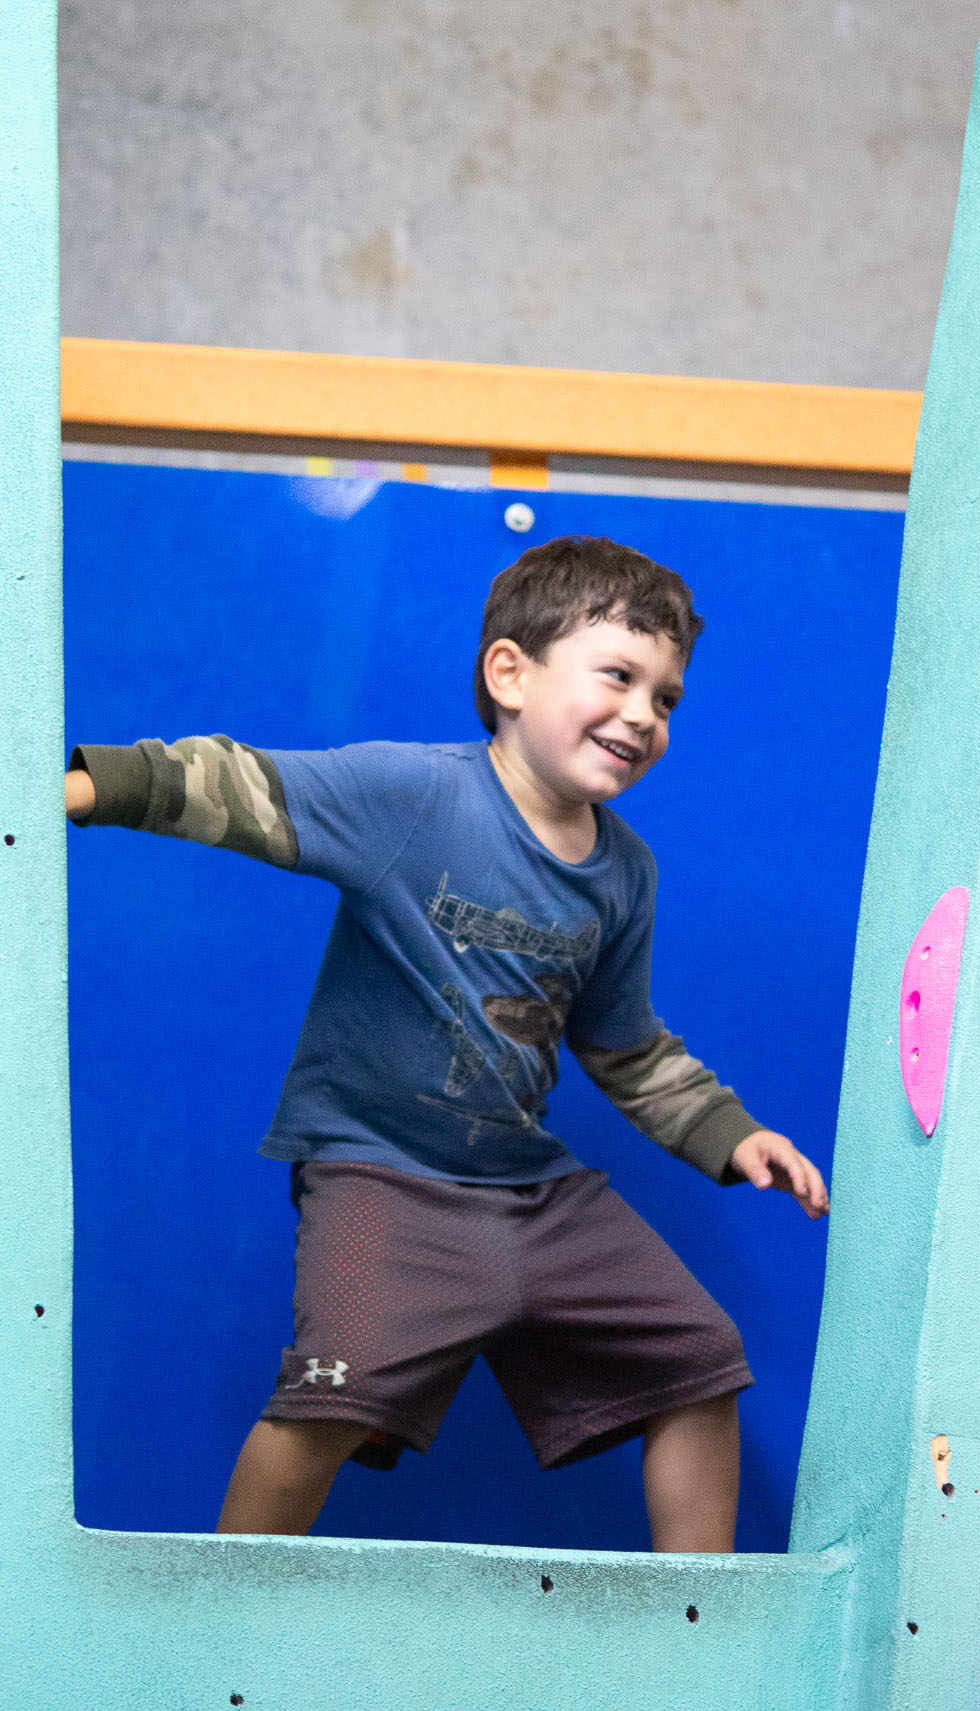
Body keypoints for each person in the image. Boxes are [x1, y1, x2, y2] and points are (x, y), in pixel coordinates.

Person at [65, 534, 828, 1552]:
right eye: (617, 676)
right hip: (379, 1174)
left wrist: (734, 1134)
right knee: (327, 1400)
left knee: (701, 1360)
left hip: (527, 1192)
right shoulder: (414, 795)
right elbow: (238, 787)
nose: (644, 714)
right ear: (509, 674)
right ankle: (219, 1605)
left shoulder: (624, 872)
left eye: (667, 697)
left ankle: (703, 1616)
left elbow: (626, 1046)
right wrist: (72, 790)